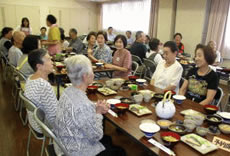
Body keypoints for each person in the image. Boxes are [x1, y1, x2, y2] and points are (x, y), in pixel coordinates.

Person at [54, 55, 125, 156]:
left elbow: (80, 109)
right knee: (120, 152)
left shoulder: (67, 91)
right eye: (91, 70)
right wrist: (98, 112)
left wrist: (95, 106)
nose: (93, 73)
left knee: (108, 139)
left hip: (64, 143)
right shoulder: (83, 105)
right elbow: (96, 136)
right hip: (76, 151)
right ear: (85, 76)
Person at [24, 48, 58, 134]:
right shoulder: (43, 85)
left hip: (35, 123)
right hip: (44, 127)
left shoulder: (30, 78)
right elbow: (54, 116)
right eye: (49, 59)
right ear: (39, 66)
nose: (52, 62)